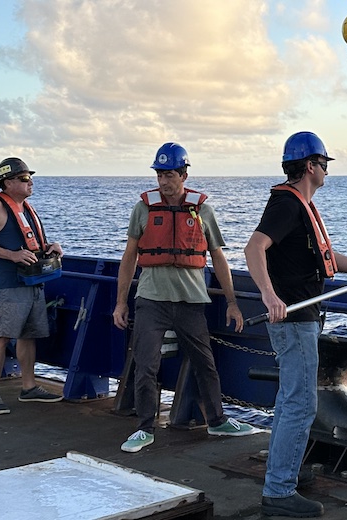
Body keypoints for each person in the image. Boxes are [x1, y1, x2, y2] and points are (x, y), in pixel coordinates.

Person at [245, 131, 347, 518]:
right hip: (294, 319)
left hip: (300, 318)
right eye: (325, 164)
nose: (327, 171)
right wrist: (269, 295)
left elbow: (326, 257)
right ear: (310, 166)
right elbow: (254, 248)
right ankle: (279, 492)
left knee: (290, 400)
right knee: (300, 403)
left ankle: (287, 469)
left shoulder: (301, 206)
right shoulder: (287, 205)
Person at [113, 142, 255, 453]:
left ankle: (217, 421)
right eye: (160, 174)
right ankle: (144, 427)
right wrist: (121, 302)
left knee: (205, 363)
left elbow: (218, 258)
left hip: (191, 301)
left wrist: (232, 302)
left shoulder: (203, 211)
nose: (164, 181)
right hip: (151, 299)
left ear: (184, 174)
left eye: (170, 174)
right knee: (145, 363)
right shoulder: (143, 209)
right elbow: (129, 257)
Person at [0, 157, 65, 415]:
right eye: (23, 178)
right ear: (8, 183)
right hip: (9, 285)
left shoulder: (26, 209)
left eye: (30, 177)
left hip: (33, 283)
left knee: (28, 334)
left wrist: (50, 248)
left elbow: (29, 243)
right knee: (1, 337)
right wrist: (11, 256)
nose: (30, 182)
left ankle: (29, 386)